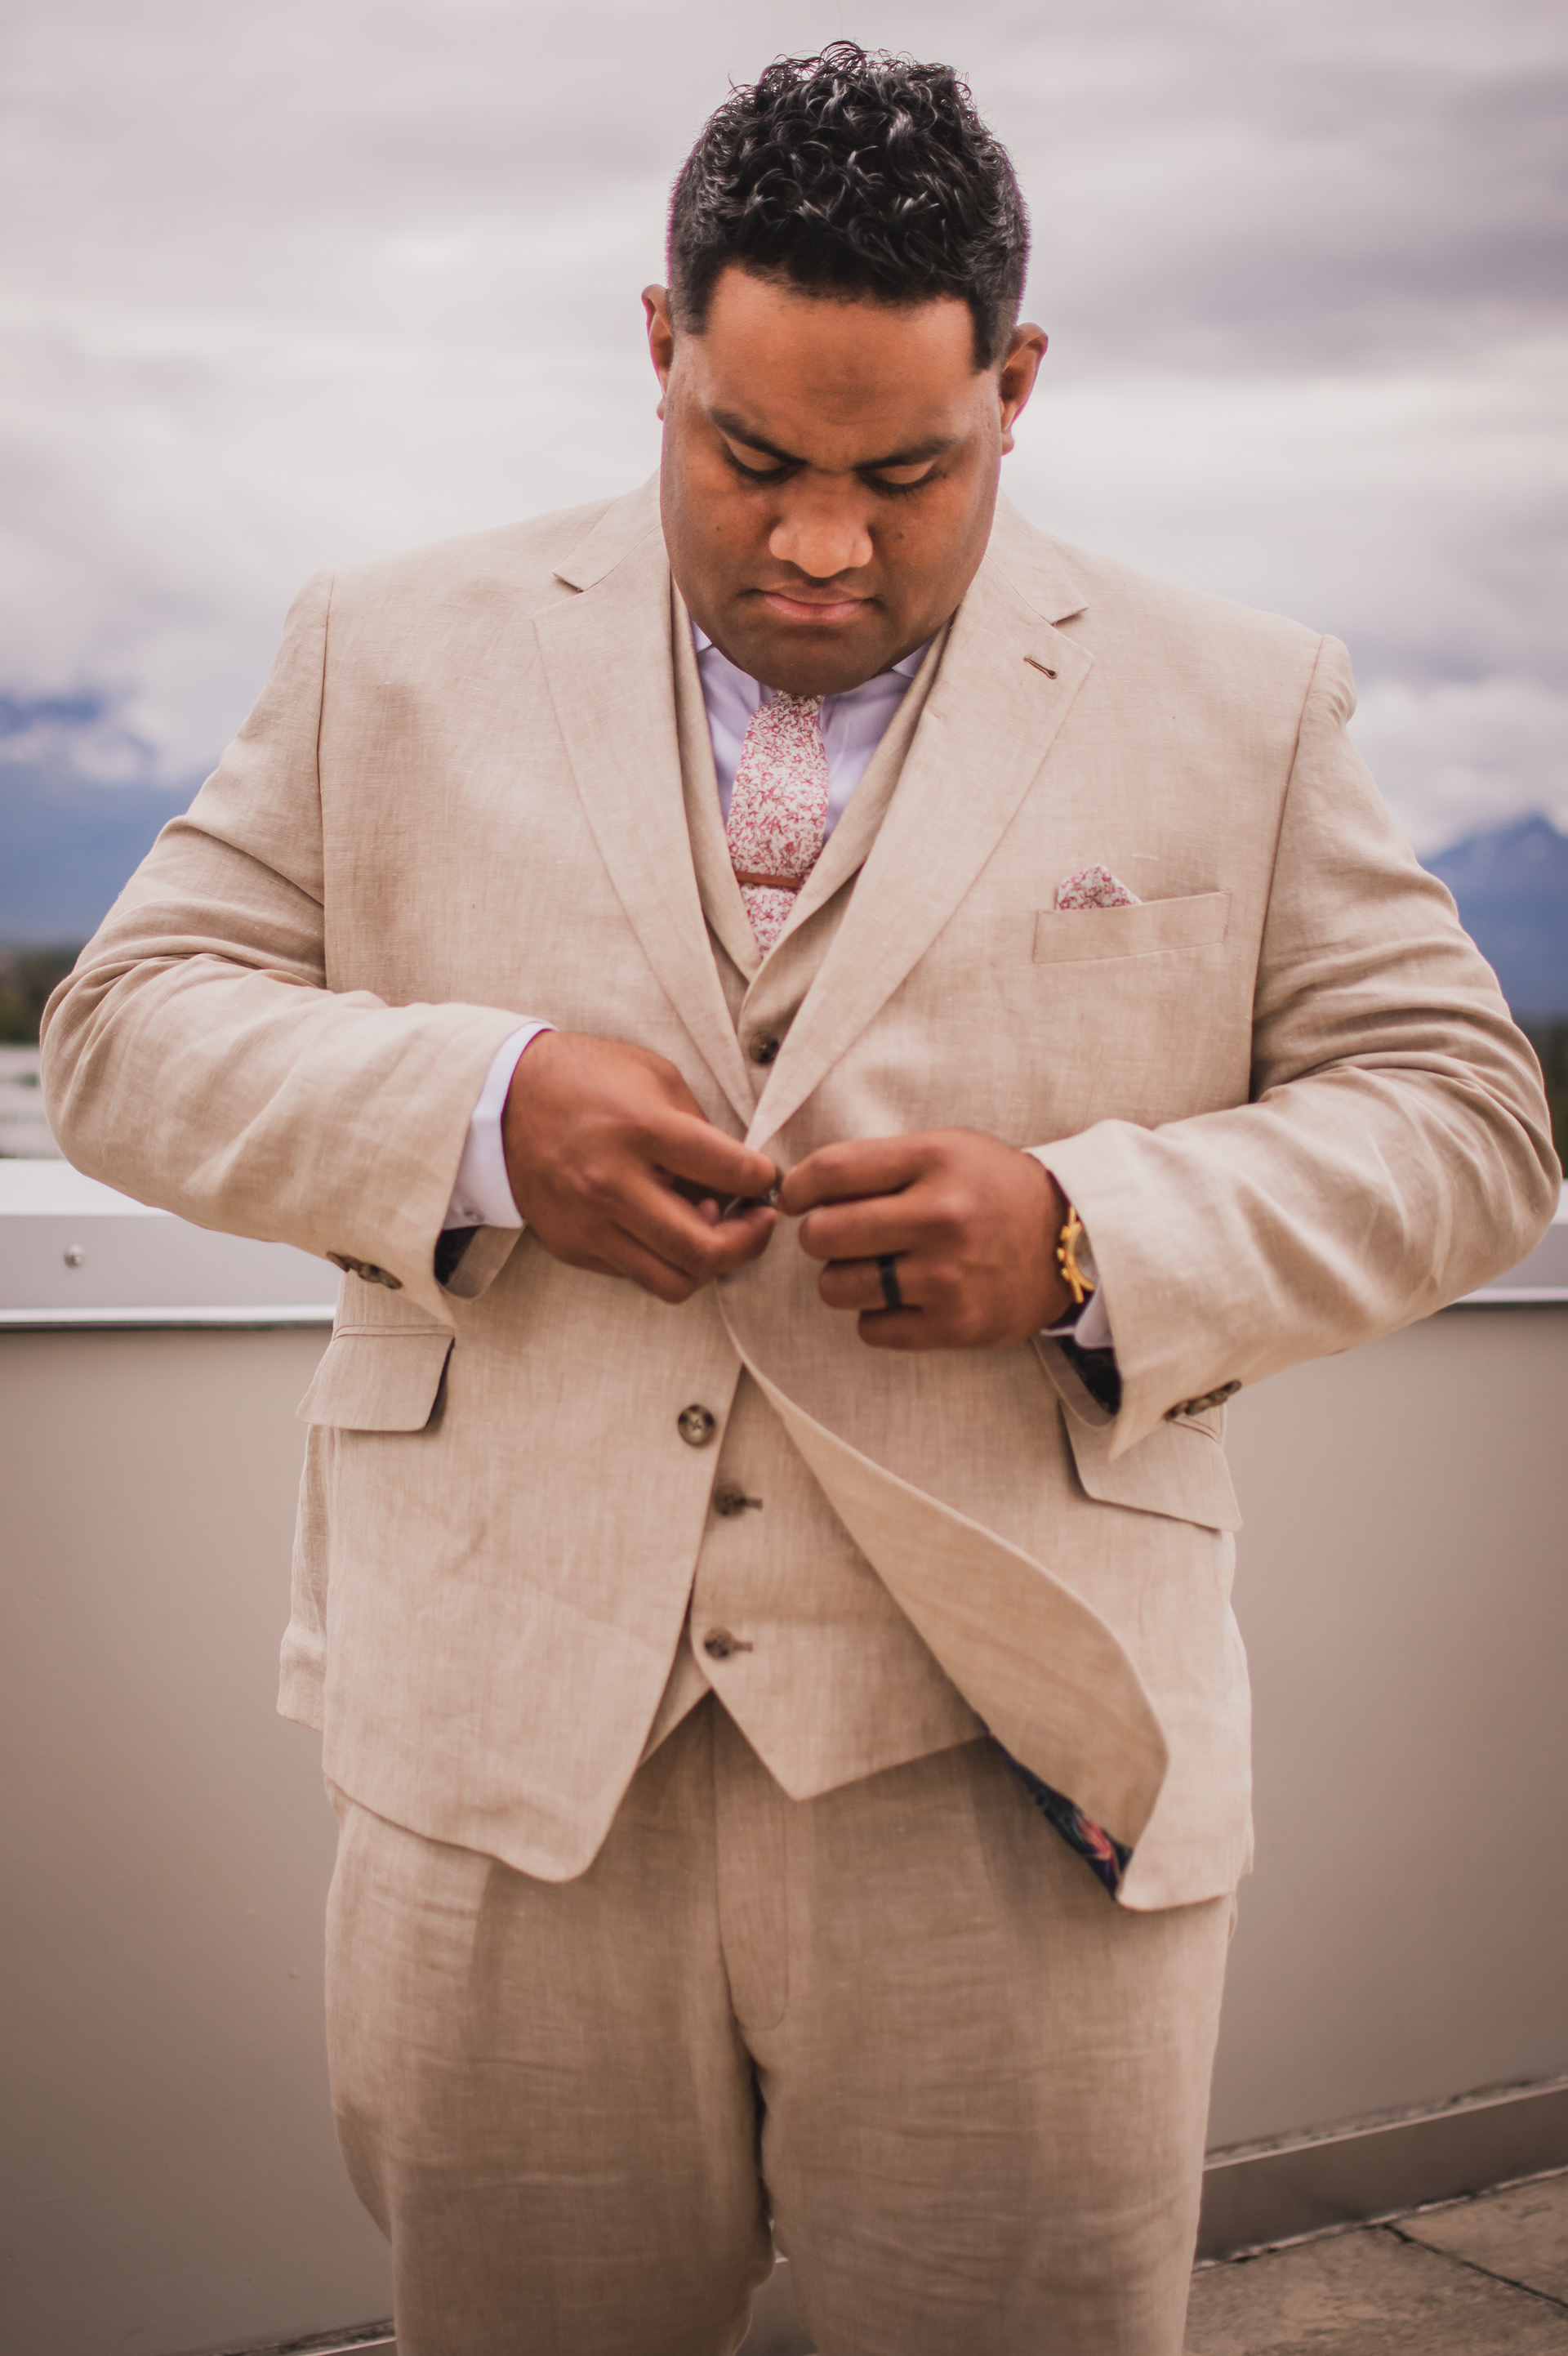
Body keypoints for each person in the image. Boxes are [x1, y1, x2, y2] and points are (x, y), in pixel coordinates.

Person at [42, 42, 1557, 2356]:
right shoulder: (383, 649)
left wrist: (1086, 1233)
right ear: (658, 344)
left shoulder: (1245, 703)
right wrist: (482, 1112)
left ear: (1016, 387)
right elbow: (126, 1033)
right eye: (752, 457)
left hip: (1020, 1773)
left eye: (906, 472)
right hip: (503, 1766)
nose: (823, 542)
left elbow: (1468, 1116)